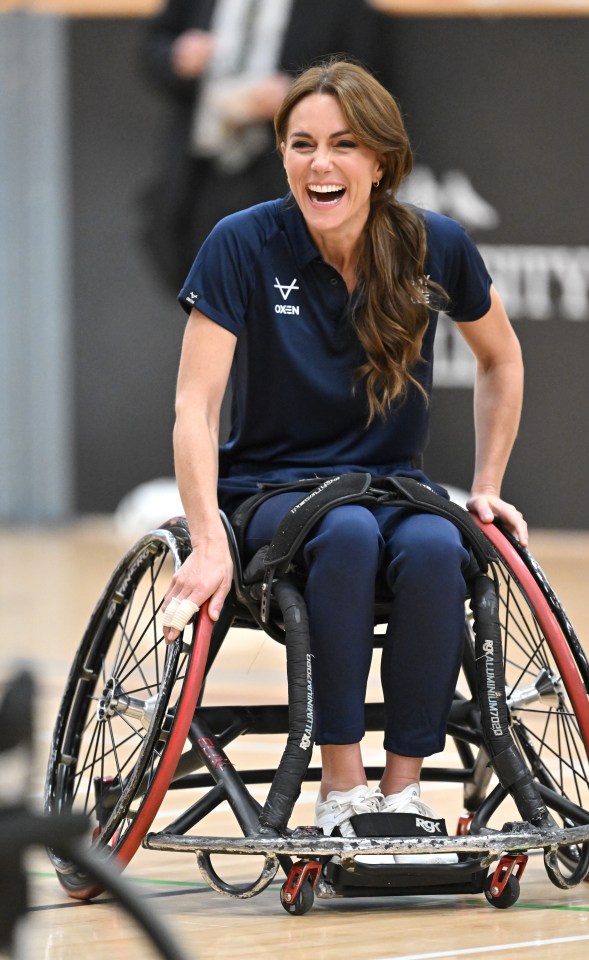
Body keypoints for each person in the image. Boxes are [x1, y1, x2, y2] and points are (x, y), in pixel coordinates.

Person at [161, 59, 528, 856]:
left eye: (344, 145)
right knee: (348, 534)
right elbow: (195, 405)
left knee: (439, 546)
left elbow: (502, 359)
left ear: (381, 162)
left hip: (394, 488)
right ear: (283, 154)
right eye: (301, 144)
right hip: (272, 493)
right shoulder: (242, 243)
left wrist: (488, 485)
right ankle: (340, 786)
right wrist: (208, 533)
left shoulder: (435, 245)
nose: (320, 164)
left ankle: (403, 795)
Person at [138, 0, 383, 291]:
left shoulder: (339, 8)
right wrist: (177, 56)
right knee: (208, 300)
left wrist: (297, 99)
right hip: (201, 171)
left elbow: (367, 81)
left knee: (287, 303)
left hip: (286, 178)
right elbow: (152, 46)